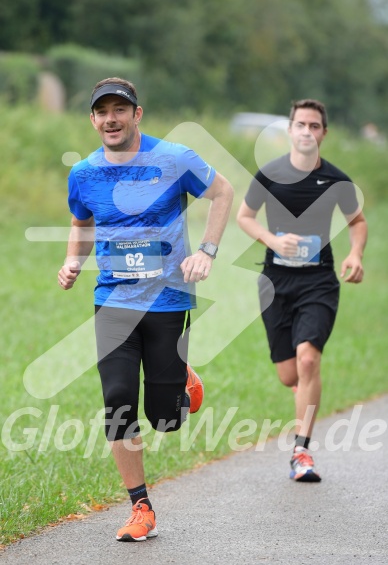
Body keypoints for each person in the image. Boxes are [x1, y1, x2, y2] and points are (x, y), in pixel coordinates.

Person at [57, 77, 234, 540]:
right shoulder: (85, 173)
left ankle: (182, 379)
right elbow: (81, 221)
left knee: (165, 418)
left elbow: (223, 192)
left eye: (120, 110)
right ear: (93, 119)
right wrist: (73, 261)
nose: (111, 119)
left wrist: (208, 251)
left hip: (168, 300)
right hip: (112, 301)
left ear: (137, 115)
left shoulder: (174, 158)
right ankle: (141, 508)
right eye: (102, 112)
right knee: (117, 402)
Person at [237, 99, 367, 482]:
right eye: (301, 124)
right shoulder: (269, 174)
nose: (307, 131)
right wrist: (271, 241)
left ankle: (301, 451)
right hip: (276, 282)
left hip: (319, 281)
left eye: (314, 125)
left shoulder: (337, 180)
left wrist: (355, 253)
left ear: (323, 133)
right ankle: (303, 402)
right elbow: (245, 217)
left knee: (309, 359)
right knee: (289, 374)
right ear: (290, 130)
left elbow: (357, 221)